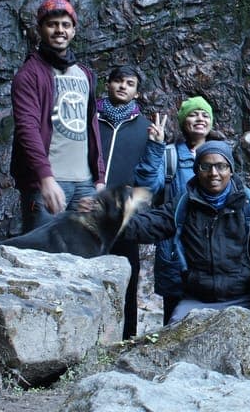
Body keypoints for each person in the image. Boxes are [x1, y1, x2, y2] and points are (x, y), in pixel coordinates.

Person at [121, 141, 250, 323]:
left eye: (221, 166)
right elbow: (150, 225)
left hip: (243, 297)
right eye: (206, 166)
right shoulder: (184, 204)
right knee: (175, 341)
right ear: (196, 170)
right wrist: (109, 221)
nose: (214, 173)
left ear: (231, 170)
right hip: (196, 299)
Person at [10, 0, 105, 233]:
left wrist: (100, 178)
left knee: (85, 257)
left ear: (74, 30)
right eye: (52, 24)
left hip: (85, 184)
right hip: (48, 183)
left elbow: (91, 127)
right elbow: (26, 128)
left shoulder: (85, 74)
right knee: (42, 259)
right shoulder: (29, 75)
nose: (59, 30)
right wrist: (45, 178)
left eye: (65, 24)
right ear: (40, 29)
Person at [134, 95, 219, 324]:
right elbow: (147, 187)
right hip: (175, 250)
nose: (200, 118)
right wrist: (154, 147)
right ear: (183, 122)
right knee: (174, 319)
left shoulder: (221, 154)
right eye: (193, 114)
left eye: (205, 114)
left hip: (212, 250)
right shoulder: (168, 155)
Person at [97, 65, 151, 339]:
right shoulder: (90, 118)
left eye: (129, 83)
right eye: (117, 81)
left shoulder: (145, 127)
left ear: (136, 92)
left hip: (124, 211)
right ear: (107, 84)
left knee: (128, 270)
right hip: (88, 206)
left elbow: (149, 172)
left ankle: (127, 336)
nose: (122, 87)